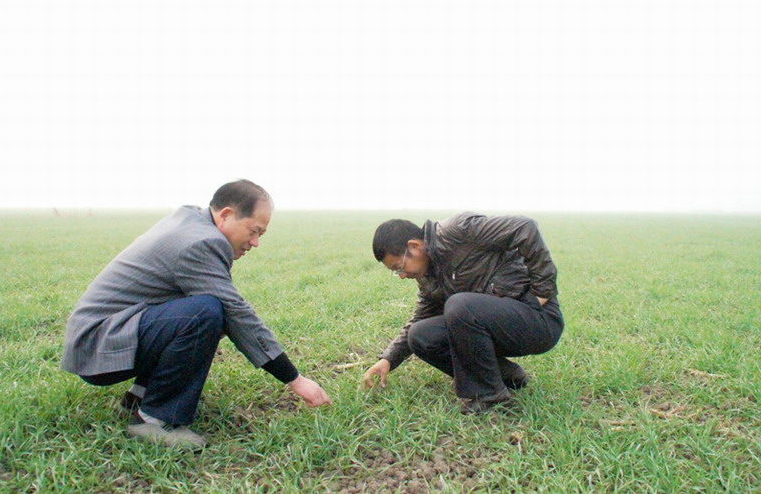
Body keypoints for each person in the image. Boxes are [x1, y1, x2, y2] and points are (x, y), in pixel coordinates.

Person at [61, 179, 332, 447]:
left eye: (260, 235)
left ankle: (140, 396)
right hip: (97, 345)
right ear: (226, 215)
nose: (255, 242)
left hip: (102, 336)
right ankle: (155, 420)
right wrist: (294, 379)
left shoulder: (191, 220)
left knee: (208, 311)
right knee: (206, 312)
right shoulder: (202, 242)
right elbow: (237, 313)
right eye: (254, 231)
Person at [361, 213, 563, 414]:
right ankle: (508, 376)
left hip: (536, 319)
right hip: (493, 327)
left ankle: (489, 397)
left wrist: (543, 291)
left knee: (459, 305)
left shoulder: (457, 231)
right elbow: (420, 318)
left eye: (399, 267)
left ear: (414, 246)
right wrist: (388, 359)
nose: (402, 276)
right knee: (420, 335)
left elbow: (524, 227)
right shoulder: (427, 276)